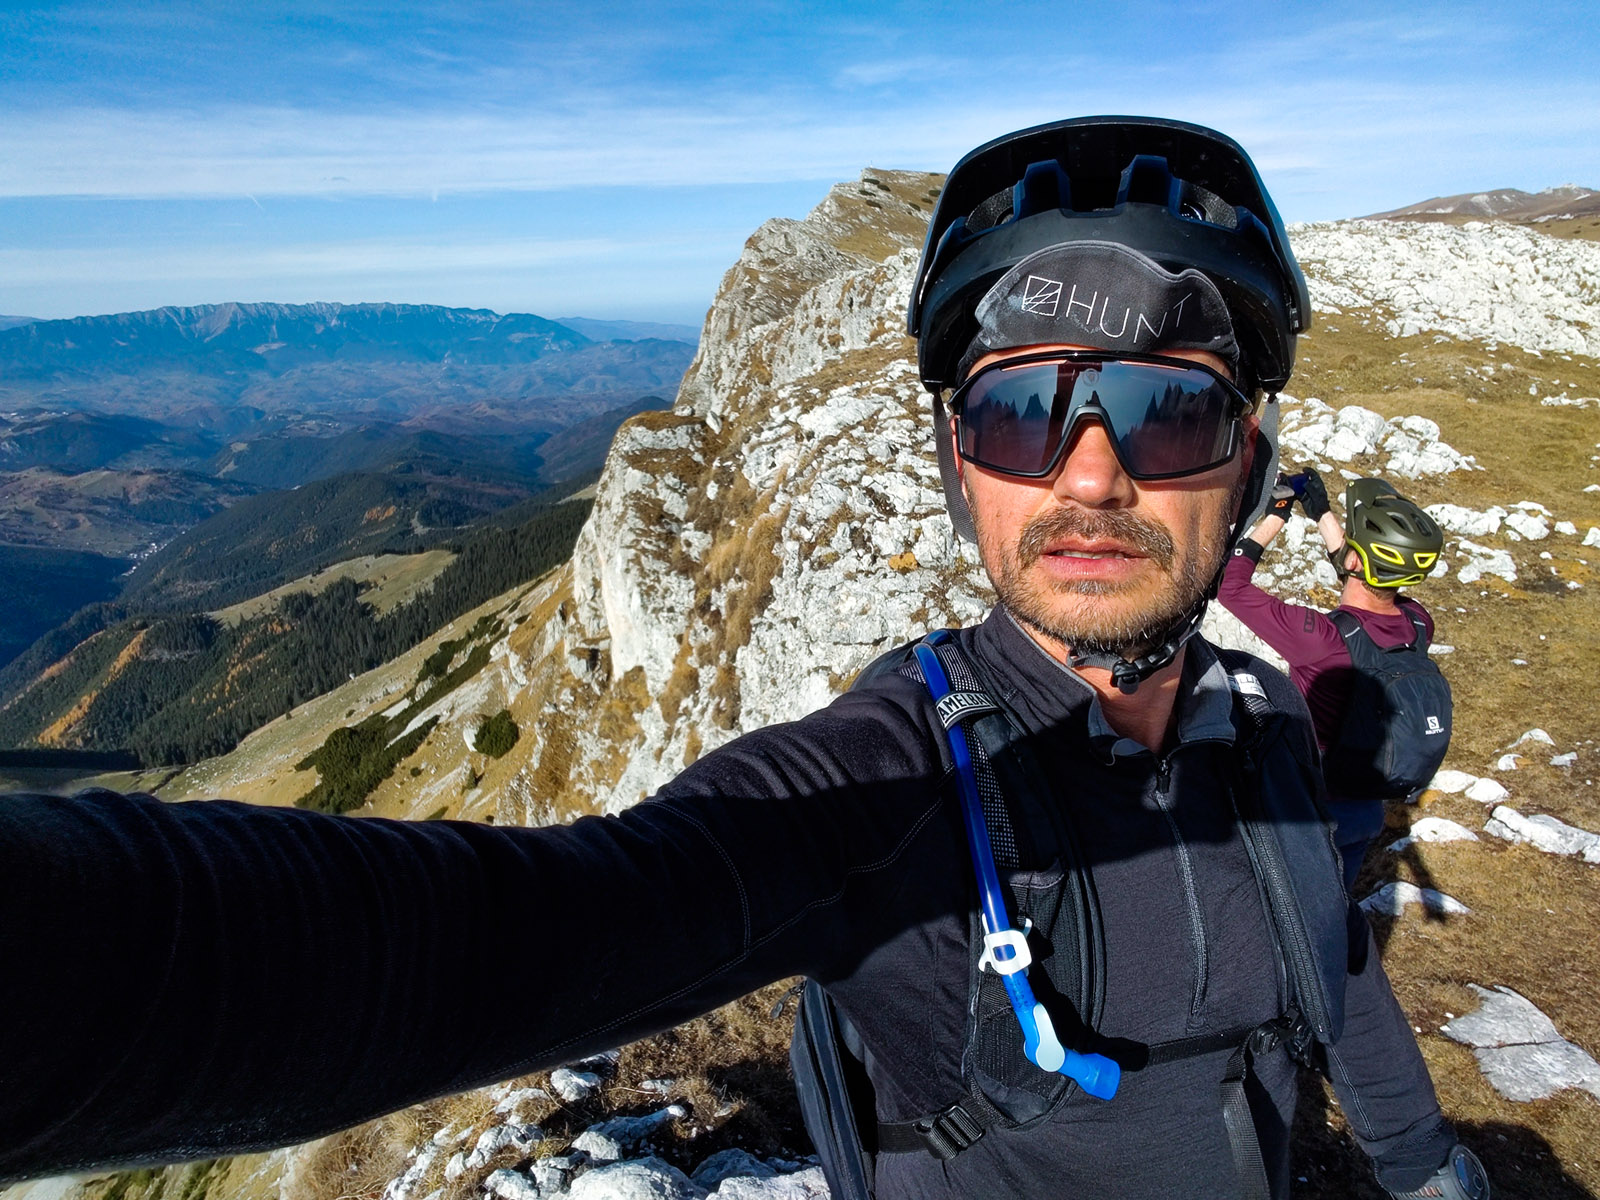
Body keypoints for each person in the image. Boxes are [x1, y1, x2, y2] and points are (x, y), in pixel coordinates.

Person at [0, 117, 1487, 1200]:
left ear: (1250, 458)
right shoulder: (893, 788)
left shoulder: (1260, 726)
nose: (1089, 475)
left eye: (1168, 409)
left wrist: (1421, 1164)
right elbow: (514, 938)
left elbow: (1333, 968)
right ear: (958, 463)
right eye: (1017, 413)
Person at [1219, 471, 1450, 889]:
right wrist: (1322, 513)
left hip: (1307, 812)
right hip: (1364, 809)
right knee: (1338, 909)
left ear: (1354, 561)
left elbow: (1230, 586)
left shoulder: (1321, 639)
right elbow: (1359, 573)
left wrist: (1276, 516)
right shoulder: (1418, 623)